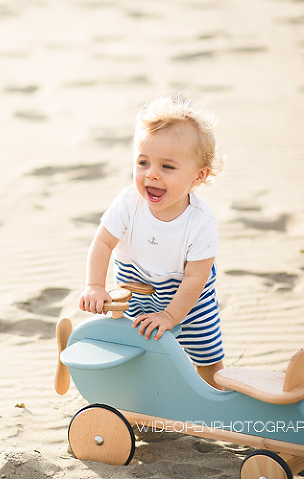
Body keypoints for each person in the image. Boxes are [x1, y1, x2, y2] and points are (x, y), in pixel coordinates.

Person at [78, 95, 225, 389]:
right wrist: (95, 285)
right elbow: (103, 243)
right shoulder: (128, 203)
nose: (152, 174)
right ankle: (145, 398)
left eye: (167, 167)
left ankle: (215, 397)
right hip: (137, 293)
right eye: (143, 162)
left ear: (199, 176)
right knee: (140, 349)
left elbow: (196, 278)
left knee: (207, 357)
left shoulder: (200, 220)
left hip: (188, 301)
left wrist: (171, 315)